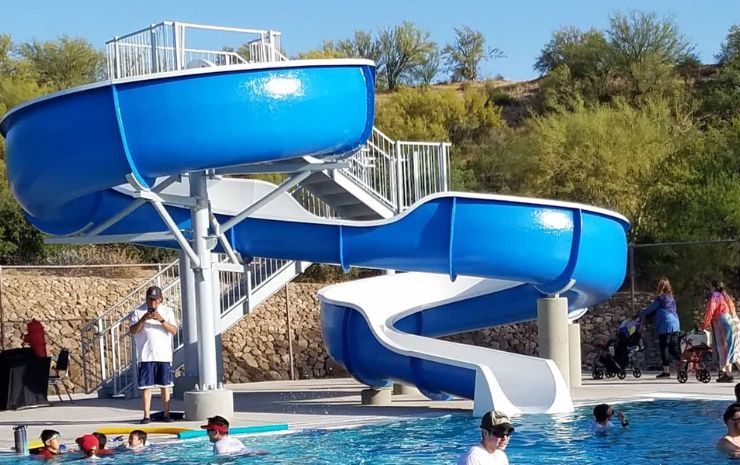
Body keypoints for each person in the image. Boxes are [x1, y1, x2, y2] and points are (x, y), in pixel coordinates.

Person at [129, 285, 178, 424]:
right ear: (146, 299)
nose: (153, 303)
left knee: (165, 385)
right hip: (145, 355)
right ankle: (146, 415)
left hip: (163, 355)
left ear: (161, 299)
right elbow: (133, 331)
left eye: (156, 300)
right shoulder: (138, 312)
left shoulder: (167, 311)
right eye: (150, 300)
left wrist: (161, 320)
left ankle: (166, 414)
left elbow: (173, 330)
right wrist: (143, 319)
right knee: (146, 387)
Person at [638, 277, 681, 378]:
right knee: (672, 347)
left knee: (664, 348)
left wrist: (639, 314)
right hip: (675, 323)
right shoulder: (671, 298)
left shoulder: (660, 298)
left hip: (666, 325)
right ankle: (683, 360)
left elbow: (649, 310)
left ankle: (666, 371)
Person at [701, 280, 739, 383]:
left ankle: (728, 374)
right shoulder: (725, 296)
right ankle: (728, 374)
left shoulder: (715, 296)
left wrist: (704, 324)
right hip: (731, 322)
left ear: (714, 287)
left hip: (722, 323)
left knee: (725, 349)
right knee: (732, 349)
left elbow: (711, 310)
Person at [201, 416, 268, 456]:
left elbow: (222, 461)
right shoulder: (235, 441)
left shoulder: (219, 445)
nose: (207, 434)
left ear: (215, 432)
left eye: (208, 431)